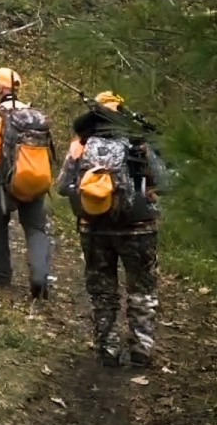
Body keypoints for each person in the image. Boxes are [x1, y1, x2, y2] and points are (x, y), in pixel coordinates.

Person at [57, 91, 170, 367]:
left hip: (94, 229)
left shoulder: (81, 144)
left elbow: (62, 186)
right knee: (141, 288)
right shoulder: (140, 143)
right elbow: (165, 182)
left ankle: (106, 347)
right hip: (139, 229)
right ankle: (141, 348)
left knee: (102, 290)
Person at [0, 67, 54, 299]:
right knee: (35, 229)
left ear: (1, 88)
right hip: (34, 176)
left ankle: (1, 273)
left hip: (0, 176)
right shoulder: (35, 116)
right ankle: (40, 276)